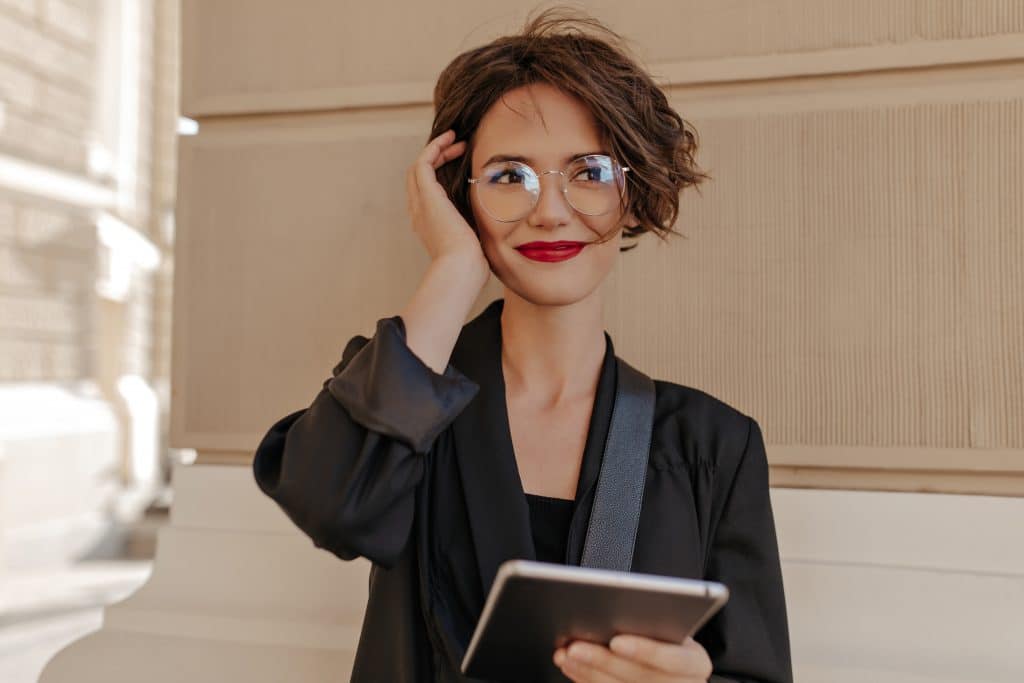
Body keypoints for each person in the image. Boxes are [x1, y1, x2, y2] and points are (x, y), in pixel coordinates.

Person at [253, 8, 792, 683]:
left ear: (633, 196)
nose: (550, 209)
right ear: (462, 199)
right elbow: (333, 507)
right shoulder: (402, 396)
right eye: (510, 176)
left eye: (589, 172)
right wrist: (452, 268)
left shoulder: (713, 446)